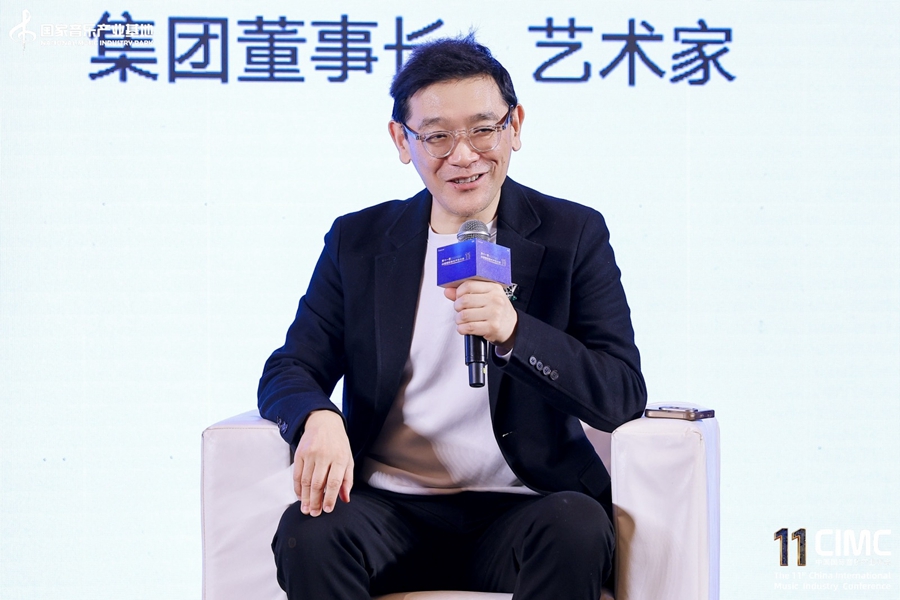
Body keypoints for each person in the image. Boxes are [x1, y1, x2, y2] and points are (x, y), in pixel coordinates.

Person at [258, 34, 647, 600]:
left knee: (577, 527)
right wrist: (317, 416)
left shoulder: (574, 234)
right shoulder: (359, 241)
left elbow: (622, 394)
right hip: (391, 511)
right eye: (437, 136)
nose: (463, 156)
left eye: (483, 129)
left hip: (525, 506)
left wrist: (515, 333)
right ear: (402, 140)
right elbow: (289, 367)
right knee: (309, 533)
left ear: (515, 126)